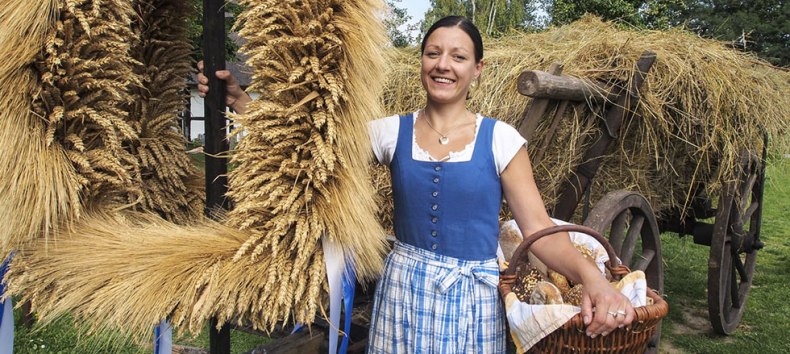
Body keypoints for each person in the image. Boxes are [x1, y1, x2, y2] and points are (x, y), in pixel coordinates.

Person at [197, 15, 635, 353]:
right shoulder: (389, 132)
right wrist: (240, 100)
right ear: (422, 61)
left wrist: (592, 279)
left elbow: (537, 228)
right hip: (404, 285)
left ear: (477, 69)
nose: (443, 65)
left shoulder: (501, 139)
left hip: (473, 299)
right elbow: (307, 151)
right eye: (433, 53)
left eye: (458, 57)